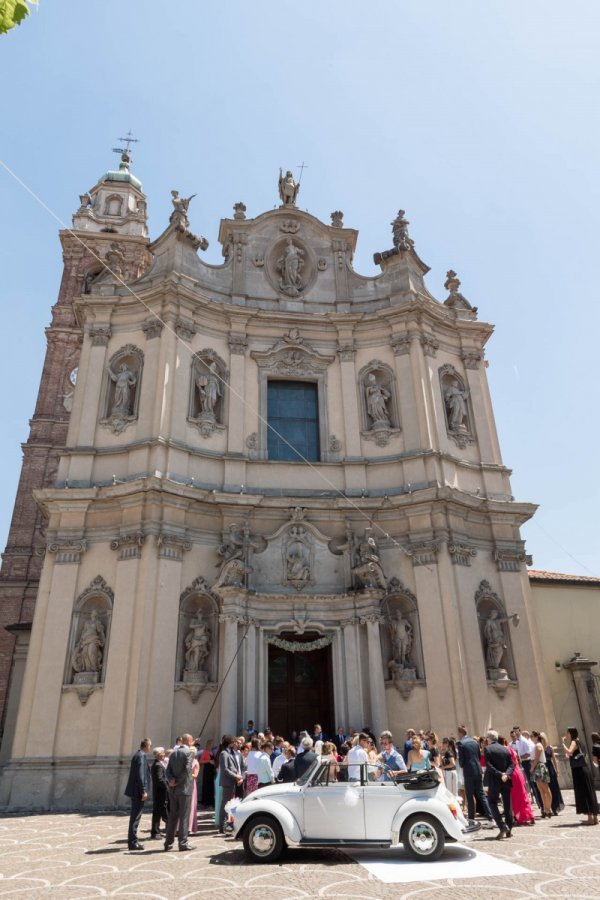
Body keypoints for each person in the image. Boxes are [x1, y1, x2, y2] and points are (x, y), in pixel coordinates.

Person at [457, 725, 494, 827]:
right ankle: (491, 818)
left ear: (460, 733)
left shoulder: (461, 744)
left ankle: (471, 820)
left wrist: (463, 764)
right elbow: (478, 756)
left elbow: (461, 761)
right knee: (481, 795)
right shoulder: (474, 742)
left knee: (469, 796)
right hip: (478, 770)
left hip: (469, 772)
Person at [164, 733, 195, 851]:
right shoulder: (188, 753)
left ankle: (168, 843)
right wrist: (177, 781)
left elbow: (168, 770)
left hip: (173, 790)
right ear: (189, 741)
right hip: (184, 789)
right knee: (184, 817)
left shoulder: (173, 753)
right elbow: (187, 770)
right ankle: (183, 843)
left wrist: (171, 780)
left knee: (172, 817)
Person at [562, 726, 599, 825]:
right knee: (590, 792)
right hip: (584, 768)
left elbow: (569, 752)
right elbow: (571, 754)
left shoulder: (574, 742)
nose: (566, 735)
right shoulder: (580, 742)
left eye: (567, 733)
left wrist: (563, 744)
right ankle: (595, 817)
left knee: (584, 792)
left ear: (571, 733)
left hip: (579, 770)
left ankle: (590, 818)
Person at [484, 730, 514, 839]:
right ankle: (509, 830)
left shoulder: (487, 749)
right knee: (507, 805)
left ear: (489, 738)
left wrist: (500, 774)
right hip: (506, 779)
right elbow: (512, 764)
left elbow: (488, 765)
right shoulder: (505, 748)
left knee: (492, 802)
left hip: (495, 780)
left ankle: (502, 826)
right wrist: (506, 774)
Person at [124, 737, 152, 851]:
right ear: (146, 746)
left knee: (134, 816)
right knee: (135, 817)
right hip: (138, 791)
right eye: (150, 746)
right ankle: (133, 842)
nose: (150, 748)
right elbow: (141, 775)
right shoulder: (141, 756)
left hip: (135, 790)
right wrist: (144, 790)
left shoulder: (137, 754)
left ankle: (132, 841)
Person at [501, 736, 535, 826]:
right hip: (518, 772)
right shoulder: (511, 749)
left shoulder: (504, 750)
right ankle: (530, 816)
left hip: (511, 774)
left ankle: (519, 818)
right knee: (523, 795)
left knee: (515, 797)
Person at [217, 734, 243, 833]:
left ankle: (230, 823)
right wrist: (236, 776)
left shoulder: (231, 752)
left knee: (231, 804)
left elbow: (235, 767)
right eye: (233, 741)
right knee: (225, 803)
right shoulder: (224, 753)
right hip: (228, 782)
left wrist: (238, 777)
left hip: (233, 782)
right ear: (229, 743)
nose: (235, 743)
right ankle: (222, 825)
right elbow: (225, 769)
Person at [530, 730, 552, 818]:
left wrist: (532, 767)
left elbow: (537, 758)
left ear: (535, 736)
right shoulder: (536, 745)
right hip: (537, 767)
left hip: (539, 767)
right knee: (541, 790)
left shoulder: (538, 745)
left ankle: (548, 809)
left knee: (545, 789)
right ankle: (545, 809)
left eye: (532, 736)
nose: (531, 737)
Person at [541, 732, 564, 815]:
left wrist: (557, 769)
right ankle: (548, 808)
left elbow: (554, 759)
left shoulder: (549, 747)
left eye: (542, 738)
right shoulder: (539, 748)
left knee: (554, 788)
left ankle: (556, 807)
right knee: (546, 790)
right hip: (543, 769)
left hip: (550, 768)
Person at [150, 747, 168, 839]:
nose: (164, 754)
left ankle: (156, 832)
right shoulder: (158, 765)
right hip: (160, 793)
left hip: (159, 793)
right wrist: (168, 786)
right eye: (162, 753)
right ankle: (156, 832)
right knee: (159, 812)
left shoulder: (158, 764)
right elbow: (160, 780)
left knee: (158, 812)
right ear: (158, 754)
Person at [198, 738, 215, 809]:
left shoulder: (212, 752)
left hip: (212, 770)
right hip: (207, 770)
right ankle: (206, 803)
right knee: (207, 785)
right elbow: (200, 761)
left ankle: (210, 802)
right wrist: (208, 761)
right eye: (211, 744)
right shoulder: (205, 752)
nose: (213, 745)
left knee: (211, 786)